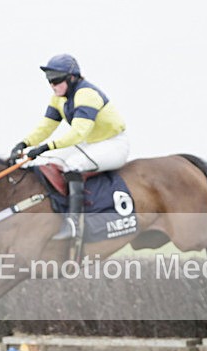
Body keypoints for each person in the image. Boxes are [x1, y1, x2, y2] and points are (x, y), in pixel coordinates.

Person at [9, 54, 129, 239]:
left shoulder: (87, 95)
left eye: (56, 80)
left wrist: (45, 147)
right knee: (52, 162)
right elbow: (46, 126)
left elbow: (78, 133)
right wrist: (24, 143)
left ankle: (74, 223)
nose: (52, 85)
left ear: (72, 77)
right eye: (49, 80)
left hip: (113, 144)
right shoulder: (58, 98)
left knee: (72, 165)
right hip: (91, 144)